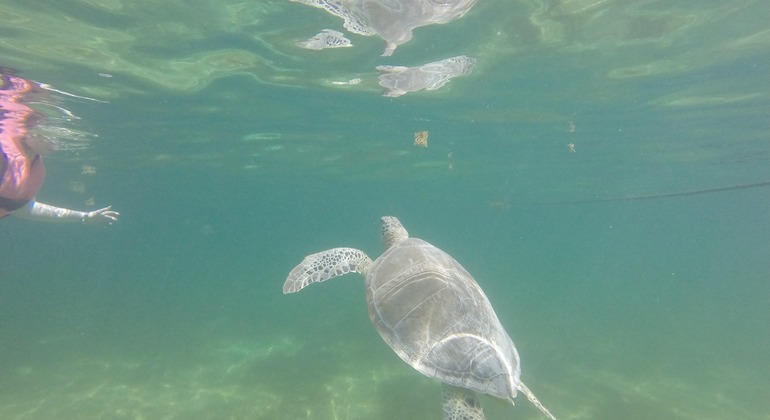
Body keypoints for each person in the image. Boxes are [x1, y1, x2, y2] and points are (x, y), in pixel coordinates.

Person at [0, 68, 119, 225]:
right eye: (50, 136)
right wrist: (83, 217)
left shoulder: (18, 161)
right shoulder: (14, 160)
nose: (56, 142)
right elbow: (19, 207)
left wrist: (84, 217)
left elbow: (21, 208)